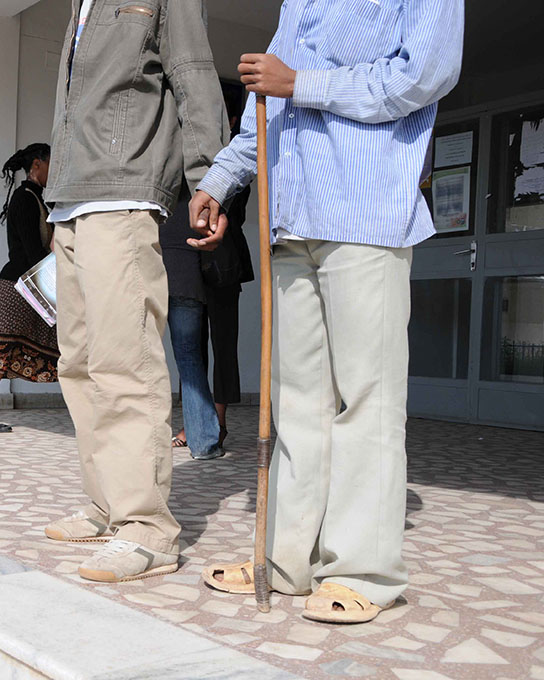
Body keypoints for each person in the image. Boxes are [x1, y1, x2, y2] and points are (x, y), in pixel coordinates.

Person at [190, 0, 463, 623]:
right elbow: (270, 99)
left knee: (366, 398)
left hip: (364, 214)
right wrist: (223, 179)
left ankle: (365, 570)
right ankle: (284, 561)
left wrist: (303, 83)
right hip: (293, 215)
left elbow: (425, 74)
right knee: (296, 402)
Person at [42, 0, 228, 583]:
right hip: (71, 199)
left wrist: (209, 180)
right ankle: (106, 505)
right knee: (78, 363)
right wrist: (56, 208)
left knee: (125, 360)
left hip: (123, 194)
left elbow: (194, 76)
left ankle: (147, 527)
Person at [164, 104, 254, 457]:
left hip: (222, 261)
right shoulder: (175, 152)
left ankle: (216, 420)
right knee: (190, 346)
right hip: (183, 258)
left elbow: (237, 210)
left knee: (222, 344)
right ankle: (199, 424)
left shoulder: (234, 158)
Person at [0, 143, 59, 433]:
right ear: (36, 165)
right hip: (20, 285)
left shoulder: (38, 198)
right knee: (3, 344)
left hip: (30, 282)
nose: (53, 171)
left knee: (64, 344)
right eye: (49, 164)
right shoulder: (24, 198)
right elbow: (33, 251)